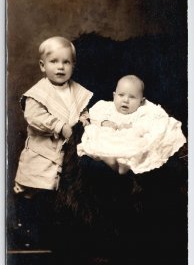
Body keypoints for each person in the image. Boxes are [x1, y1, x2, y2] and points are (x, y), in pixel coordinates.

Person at [13, 36, 93, 247]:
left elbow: (82, 111)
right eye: (54, 61)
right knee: (34, 188)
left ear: (73, 65)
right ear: (42, 65)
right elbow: (34, 117)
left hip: (66, 154)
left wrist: (84, 121)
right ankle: (26, 228)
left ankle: (53, 232)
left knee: (58, 194)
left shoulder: (76, 91)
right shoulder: (38, 93)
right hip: (42, 151)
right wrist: (59, 126)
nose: (60, 67)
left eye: (66, 62)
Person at [77, 75, 186, 174]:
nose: (125, 100)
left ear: (141, 101)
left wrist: (132, 127)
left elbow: (150, 122)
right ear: (114, 95)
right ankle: (111, 161)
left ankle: (124, 164)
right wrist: (104, 122)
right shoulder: (106, 107)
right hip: (109, 137)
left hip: (128, 140)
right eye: (121, 95)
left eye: (132, 97)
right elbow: (94, 113)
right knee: (96, 134)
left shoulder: (141, 111)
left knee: (137, 143)